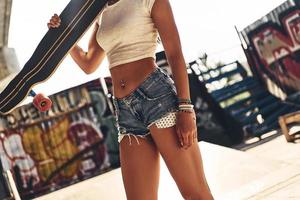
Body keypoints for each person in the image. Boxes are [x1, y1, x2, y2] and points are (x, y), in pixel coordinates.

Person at [48, 0, 214, 199]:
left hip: (158, 100)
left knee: (196, 194)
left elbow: (175, 53)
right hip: (125, 112)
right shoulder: (100, 12)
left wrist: (186, 108)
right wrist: (63, 36)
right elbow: (88, 63)